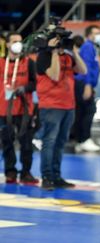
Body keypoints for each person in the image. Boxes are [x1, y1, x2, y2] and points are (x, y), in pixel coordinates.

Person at [36, 35, 87, 190]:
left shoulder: (67, 56)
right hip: (51, 105)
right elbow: (55, 74)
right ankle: (47, 177)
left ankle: (56, 176)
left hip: (68, 106)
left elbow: (83, 70)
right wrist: (53, 52)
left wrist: (74, 52)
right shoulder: (43, 56)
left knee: (60, 144)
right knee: (49, 142)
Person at [0, 32, 38, 185]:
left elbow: (35, 83)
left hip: (24, 109)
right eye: (14, 41)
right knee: (7, 141)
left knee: (26, 142)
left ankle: (26, 172)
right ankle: (10, 171)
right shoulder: (1, 62)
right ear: (8, 44)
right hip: (4, 108)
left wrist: (25, 88)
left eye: (20, 41)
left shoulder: (29, 63)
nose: (18, 44)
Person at [73, 25, 100, 153]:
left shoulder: (92, 47)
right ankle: (84, 139)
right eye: (96, 33)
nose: (98, 36)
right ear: (89, 34)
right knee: (89, 110)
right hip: (83, 83)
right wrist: (88, 85)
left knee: (82, 112)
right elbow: (87, 67)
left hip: (85, 83)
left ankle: (80, 140)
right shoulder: (88, 47)